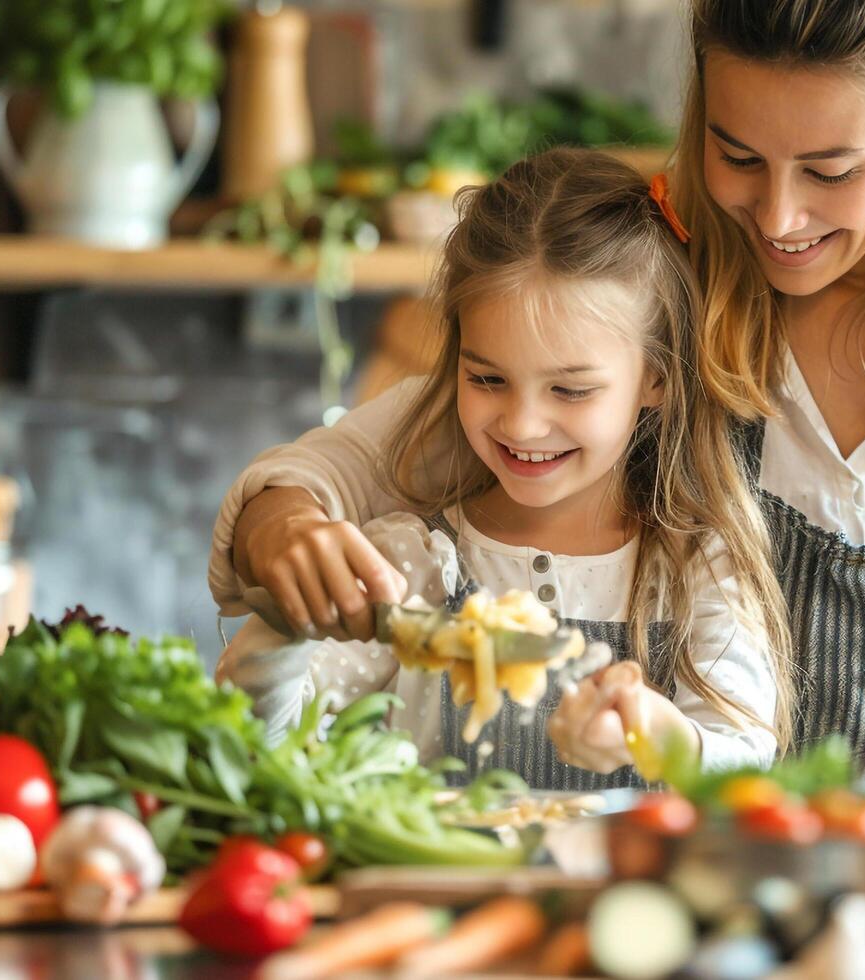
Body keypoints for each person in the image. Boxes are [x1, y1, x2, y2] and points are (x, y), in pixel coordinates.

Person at [211, 0, 865, 800]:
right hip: (694, 879)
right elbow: (343, 466)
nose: (777, 217)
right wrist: (285, 522)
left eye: (830, 171)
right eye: (738, 154)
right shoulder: (650, 288)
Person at [215, 148, 791, 790]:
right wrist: (285, 625)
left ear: (654, 378)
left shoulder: (694, 566)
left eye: (570, 391)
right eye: (487, 378)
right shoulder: (414, 564)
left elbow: (740, 761)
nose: (520, 425)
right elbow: (260, 749)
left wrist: (652, 733)